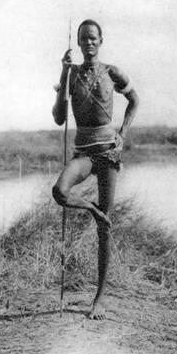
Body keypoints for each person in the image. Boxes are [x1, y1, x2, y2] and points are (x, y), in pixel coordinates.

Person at [52, 19, 139, 320]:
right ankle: (92, 208)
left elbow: (134, 100)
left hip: (108, 155)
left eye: (93, 38)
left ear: (101, 41)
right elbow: (59, 119)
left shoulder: (112, 72)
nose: (88, 43)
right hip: (84, 154)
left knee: (105, 229)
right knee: (60, 191)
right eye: (83, 39)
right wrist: (64, 73)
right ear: (77, 44)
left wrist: (122, 134)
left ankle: (98, 300)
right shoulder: (72, 75)